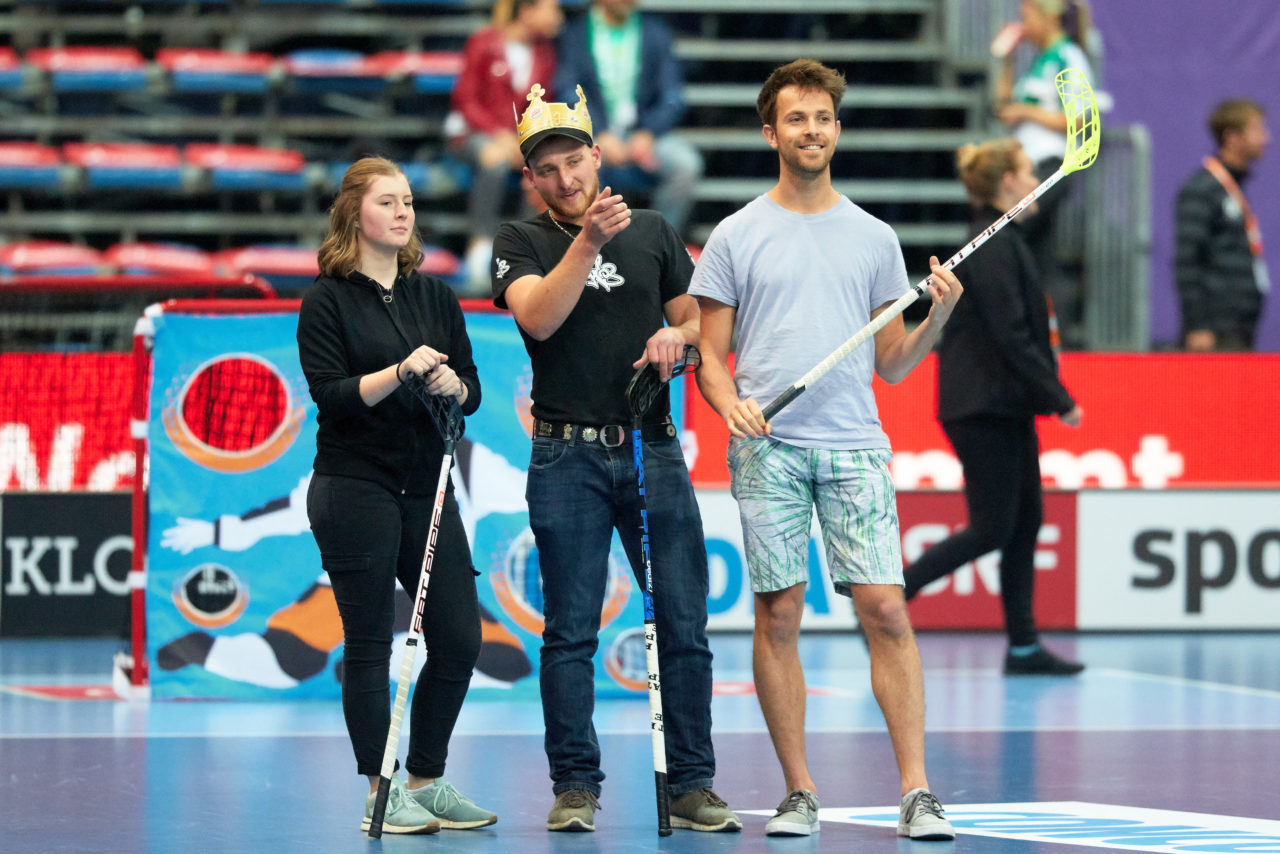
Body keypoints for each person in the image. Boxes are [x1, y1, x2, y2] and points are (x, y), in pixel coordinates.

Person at [690, 58, 960, 841]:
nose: (813, 131)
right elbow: (711, 352)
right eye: (797, 119)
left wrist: (935, 317)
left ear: (837, 130)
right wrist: (726, 399)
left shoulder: (875, 237)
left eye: (824, 118)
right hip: (768, 448)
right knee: (776, 617)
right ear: (771, 132)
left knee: (885, 610)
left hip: (853, 447)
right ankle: (799, 792)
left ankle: (918, 792)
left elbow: (894, 363)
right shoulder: (736, 235)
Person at [489, 83, 740, 834]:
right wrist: (587, 242)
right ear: (531, 179)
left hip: (652, 449)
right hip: (565, 457)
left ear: (598, 156)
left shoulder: (657, 231)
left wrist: (681, 338)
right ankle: (575, 786)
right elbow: (537, 314)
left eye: (574, 161)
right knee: (570, 629)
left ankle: (692, 784)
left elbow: (700, 321)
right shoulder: (520, 240)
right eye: (548, 170)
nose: (566, 180)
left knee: (684, 623)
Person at [296, 156, 496, 834]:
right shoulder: (326, 299)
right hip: (354, 486)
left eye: (408, 200)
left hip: (427, 486)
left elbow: (472, 388)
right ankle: (380, 791)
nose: (404, 212)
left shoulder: (434, 297)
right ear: (356, 214)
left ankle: (426, 778)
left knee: (460, 637)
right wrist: (400, 371)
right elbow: (331, 396)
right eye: (388, 202)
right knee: (369, 640)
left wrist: (453, 389)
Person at [902, 138, 1085, 676]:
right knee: (993, 527)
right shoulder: (993, 246)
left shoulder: (1006, 238)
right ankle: (891, 598)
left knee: (1026, 522)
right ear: (1007, 183)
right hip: (981, 405)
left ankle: (1024, 645)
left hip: (1002, 404)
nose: (1036, 185)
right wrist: (1060, 399)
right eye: (1030, 174)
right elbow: (1012, 336)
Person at [553, 0, 703, 238]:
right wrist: (596, 132)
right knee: (573, 164)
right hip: (591, 133)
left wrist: (648, 133)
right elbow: (566, 90)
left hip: (644, 133)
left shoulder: (654, 32)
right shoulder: (576, 34)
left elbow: (673, 94)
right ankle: (584, 246)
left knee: (685, 165)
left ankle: (660, 244)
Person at [994, 0, 1095, 348]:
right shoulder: (1037, 61)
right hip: (1029, 168)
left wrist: (1029, 112)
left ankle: (1040, 334)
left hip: (1051, 168)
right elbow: (1003, 106)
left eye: (1026, 18)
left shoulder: (1069, 57)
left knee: (1012, 238)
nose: (1022, 26)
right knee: (1039, 254)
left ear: (1047, 17)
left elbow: (1080, 118)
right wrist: (1006, 60)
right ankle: (1045, 337)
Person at [447, 0, 565, 294]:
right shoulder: (484, 42)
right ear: (527, 10)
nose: (558, 17)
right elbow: (466, 100)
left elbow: (542, 105)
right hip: (473, 133)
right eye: (551, 9)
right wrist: (498, 135)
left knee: (541, 168)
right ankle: (480, 243)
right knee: (494, 160)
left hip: (518, 139)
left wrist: (524, 141)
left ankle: (523, 251)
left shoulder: (544, 53)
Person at [1175, 99, 1271, 351]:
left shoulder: (1233, 187)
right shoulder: (1202, 189)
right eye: (1257, 130)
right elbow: (1187, 260)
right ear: (1232, 137)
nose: (1266, 138)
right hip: (1214, 330)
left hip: (1238, 324)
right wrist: (1198, 325)